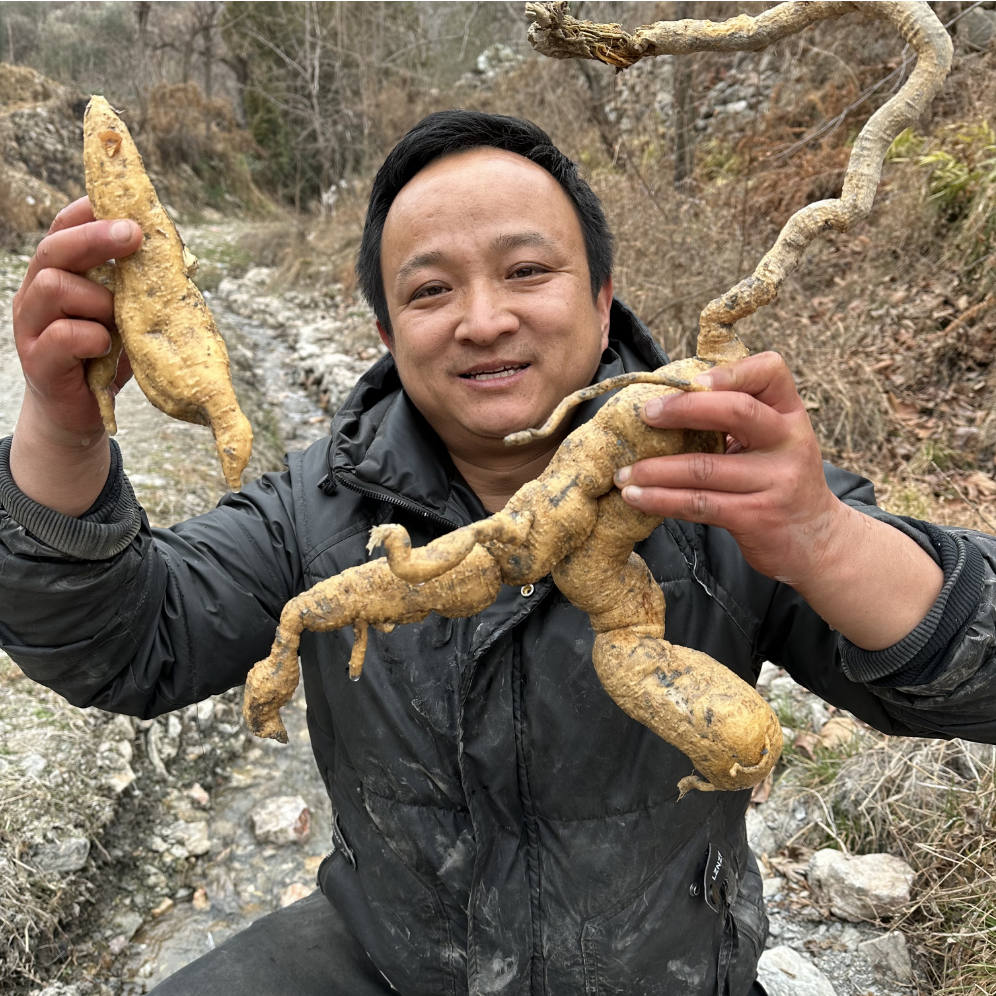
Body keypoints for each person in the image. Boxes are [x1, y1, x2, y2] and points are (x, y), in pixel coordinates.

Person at [3, 110, 995, 996]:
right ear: (388, 332)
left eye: (528, 271)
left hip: (669, 972)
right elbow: (123, 646)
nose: (484, 320)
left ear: (604, 298)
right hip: (386, 958)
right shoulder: (310, 509)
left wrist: (821, 535)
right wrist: (61, 430)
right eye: (432, 290)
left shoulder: (723, 475)